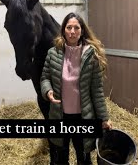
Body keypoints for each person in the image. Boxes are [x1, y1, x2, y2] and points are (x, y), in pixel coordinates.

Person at [40, 12, 112, 165]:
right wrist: (48, 91)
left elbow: (97, 91)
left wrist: (104, 118)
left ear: (82, 31)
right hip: (60, 115)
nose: (72, 32)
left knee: (84, 157)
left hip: (83, 116)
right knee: (61, 155)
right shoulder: (53, 54)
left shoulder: (91, 56)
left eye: (76, 28)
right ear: (63, 30)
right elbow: (45, 77)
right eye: (69, 27)